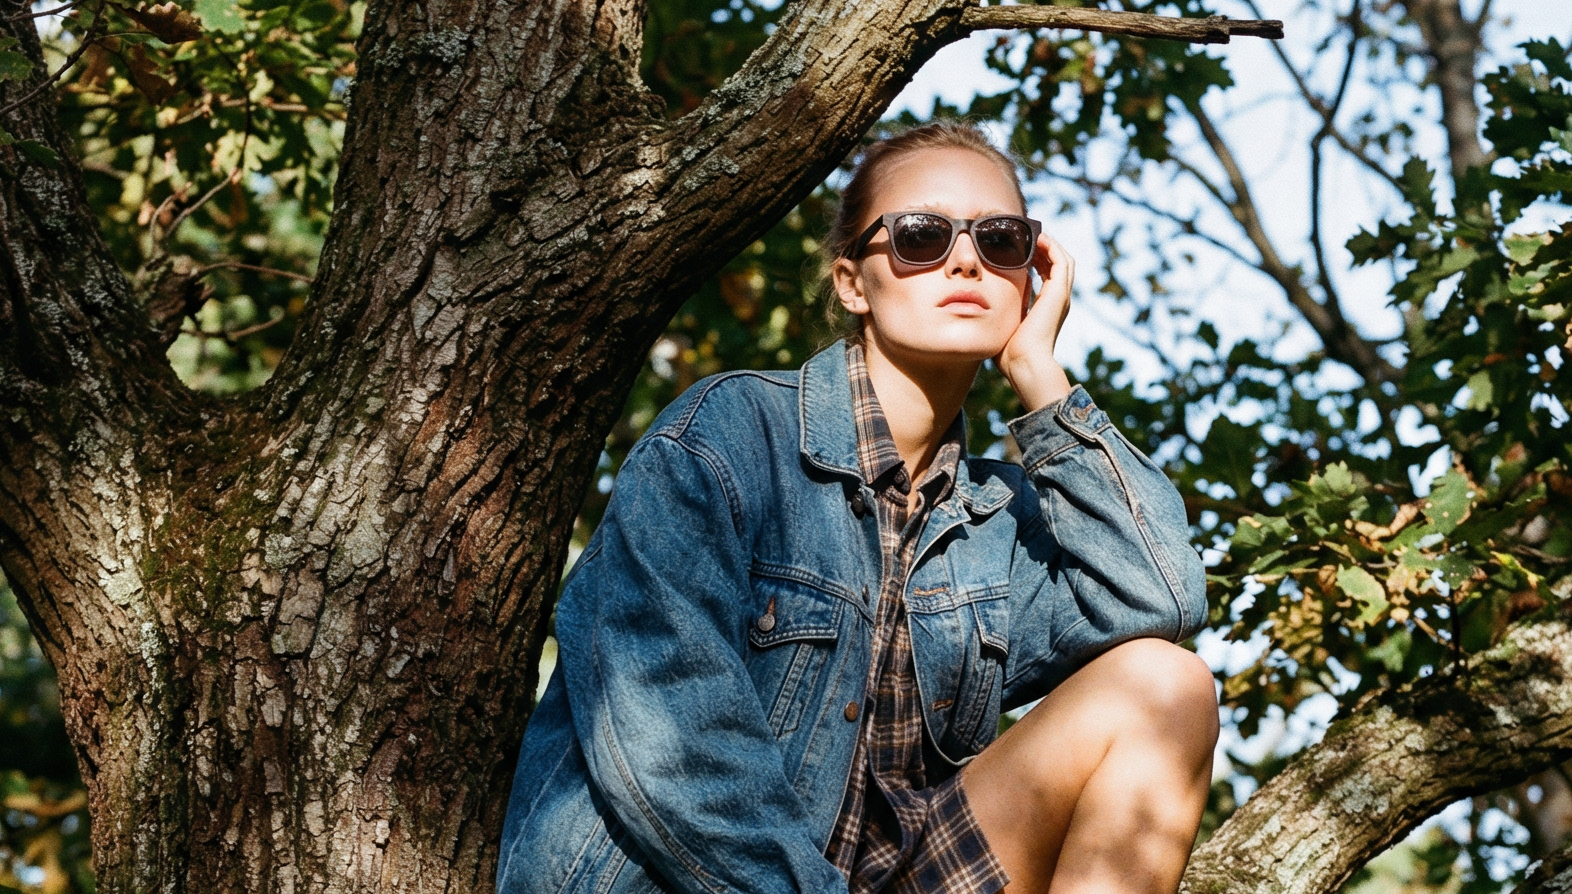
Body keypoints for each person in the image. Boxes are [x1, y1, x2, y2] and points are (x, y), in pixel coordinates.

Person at [497, 122, 1220, 894]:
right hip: (699, 883)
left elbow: (1163, 597)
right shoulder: (729, 437)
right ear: (851, 282)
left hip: (891, 878)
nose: (967, 259)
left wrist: (1040, 375)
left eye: (1002, 240)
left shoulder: (997, 517)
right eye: (921, 235)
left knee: (1165, 686)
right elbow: (667, 742)